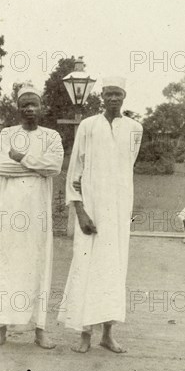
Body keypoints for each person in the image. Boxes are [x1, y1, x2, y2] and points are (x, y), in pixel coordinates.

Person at [59, 76, 143, 353]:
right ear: (102, 97)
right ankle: (84, 334)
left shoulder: (134, 128)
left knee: (114, 269)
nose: (113, 99)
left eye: (118, 94)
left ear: (124, 96)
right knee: (86, 266)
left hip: (118, 210)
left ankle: (107, 334)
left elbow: (124, 167)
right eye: (109, 94)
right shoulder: (88, 126)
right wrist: (80, 210)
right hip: (91, 209)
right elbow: (76, 169)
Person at [0, 83, 64, 349]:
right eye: (25, 104)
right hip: (9, 212)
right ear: (18, 108)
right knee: (5, 264)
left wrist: (22, 158)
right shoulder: (7, 134)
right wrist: (35, 167)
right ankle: (0, 326)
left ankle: (40, 329)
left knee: (38, 265)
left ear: (41, 108)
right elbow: (2, 166)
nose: (30, 109)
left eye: (34, 104)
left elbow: (54, 167)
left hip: (37, 213)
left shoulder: (51, 136)